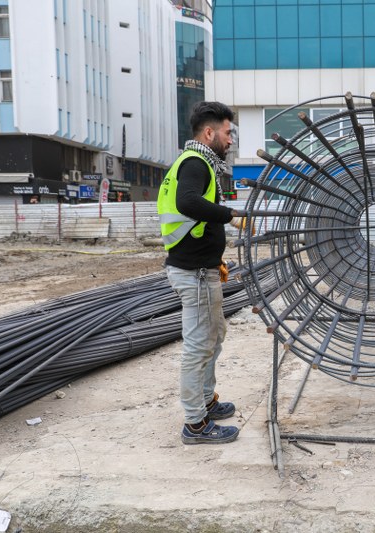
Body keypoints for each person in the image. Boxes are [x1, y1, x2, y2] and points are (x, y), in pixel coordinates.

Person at [157, 101, 245, 445]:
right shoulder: (196, 163)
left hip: (200, 268)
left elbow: (195, 216)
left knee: (214, 336)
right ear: (209, 133)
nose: (230, 139)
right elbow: (188, 203)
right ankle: (195, 424)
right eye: (227, 132)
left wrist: (214, 257)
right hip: (193, 273)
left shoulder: (194, 161)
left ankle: (206, 401)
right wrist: (231, 215)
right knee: (198, 346)